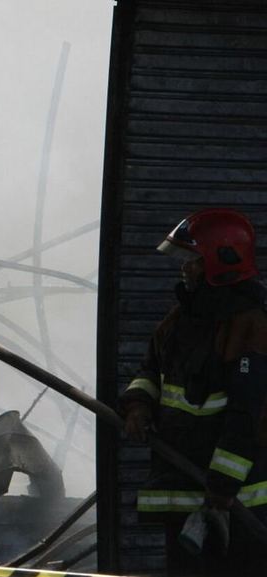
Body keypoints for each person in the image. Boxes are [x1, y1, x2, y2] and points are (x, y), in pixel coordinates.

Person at [119, 208, 267, 576]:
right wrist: (138, 404)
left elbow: (249, 413)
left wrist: (222, 487)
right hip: (184, 494)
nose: (184, 268)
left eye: (193, 260)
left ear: (222, 262)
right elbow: (150, 370)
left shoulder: (250, 325)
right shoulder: (179, 319)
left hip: (237, 503)